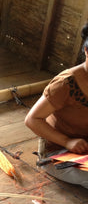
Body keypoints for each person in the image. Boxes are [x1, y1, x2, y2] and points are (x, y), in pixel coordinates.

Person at [25, 23, 88, 188]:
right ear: (87, 51)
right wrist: (67, 142)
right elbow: (32, 119)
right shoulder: (66, 83)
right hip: (60, 153)